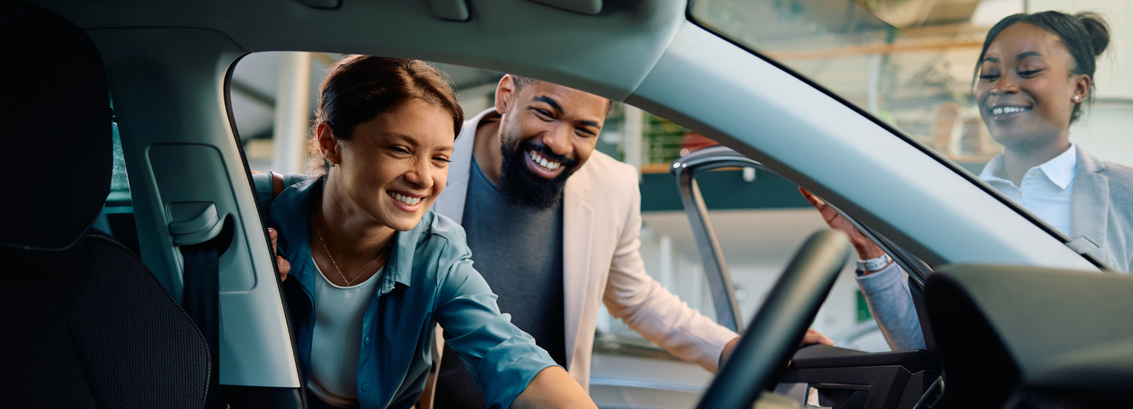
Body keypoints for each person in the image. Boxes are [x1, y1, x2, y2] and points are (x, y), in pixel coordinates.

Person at [426, 75, 833, 407]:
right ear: (506, 95)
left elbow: (634, 298)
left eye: (585, 129)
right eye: (545, 113)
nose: (559, 142)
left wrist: (733, 349)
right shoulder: (429, 156)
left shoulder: (614, 186)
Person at [801, 11, 1133, 351]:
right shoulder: (955, 198)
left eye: (1028, 70)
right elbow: (922, 347)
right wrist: (869, 248)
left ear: (1078, 88)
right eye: (989, 74)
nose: (1002, 86)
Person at [255, 55, 596, 409]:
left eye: (440, 158)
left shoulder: (437, 251)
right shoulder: (253, 206)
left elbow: (509, 356)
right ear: (330, 143)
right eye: (400, 149)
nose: (423, 177)